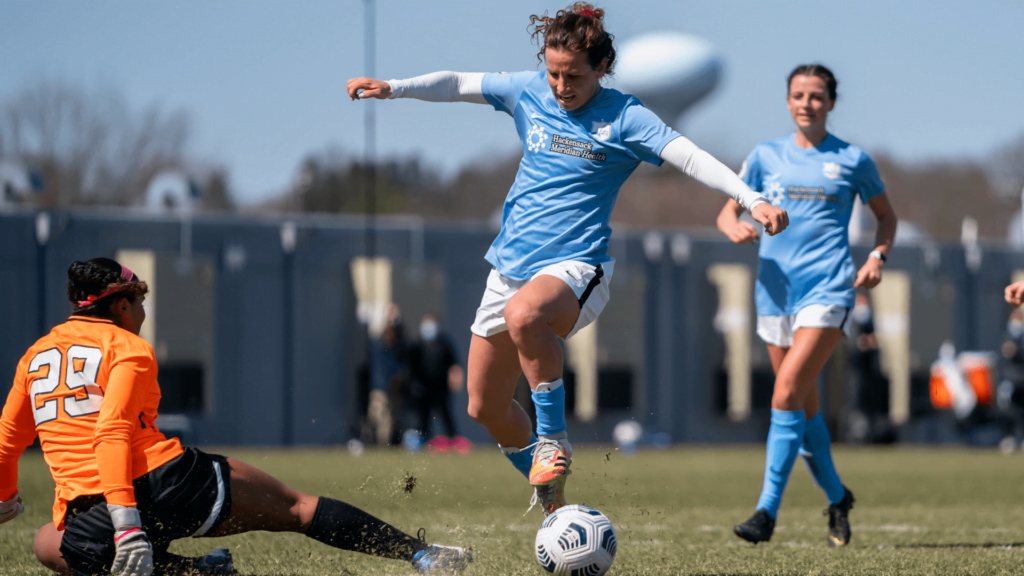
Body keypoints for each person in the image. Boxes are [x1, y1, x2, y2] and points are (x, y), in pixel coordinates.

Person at [347, 2, 789, 516]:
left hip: (577, 268)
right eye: (554, 72)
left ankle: (554, 441)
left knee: (526, 315)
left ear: (601, 68)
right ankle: (551, 493)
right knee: (483, 406)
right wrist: (395, 87)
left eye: (574, 75)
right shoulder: (529, 90)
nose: (561, 85)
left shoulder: (625, 116)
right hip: (508, 268)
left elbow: (688, 155)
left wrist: (751, 199)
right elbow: (459, 83)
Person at [0, 258, 471, 576]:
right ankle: (421, 553)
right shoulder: (128, 346)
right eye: (140, 301)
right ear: (120, 305)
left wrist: (4, 498)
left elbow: (7, 442)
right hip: (162, 486)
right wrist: (128, 525)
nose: (143, 310)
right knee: (297, 509)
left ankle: (199, 570)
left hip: (89, 509)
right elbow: (112, 433)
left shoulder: (34, 356)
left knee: (51, 543)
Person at [716, 63, 898, 546]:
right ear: (788, 100)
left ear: (831, 103)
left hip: (829, 290)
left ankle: (765, 512)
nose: (806, 103)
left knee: (786, 392)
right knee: (803, 406)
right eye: (798, 95)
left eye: (816, 96)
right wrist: (732, 225)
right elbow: (727, 209)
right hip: (775, 293)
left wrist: (878, 256)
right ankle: (838, 498)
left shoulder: (853, 159)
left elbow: (887, 217)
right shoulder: (764, 156)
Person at [406, 315, 469, 454]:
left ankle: (452, 440)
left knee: (445, 413)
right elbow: (410, 366)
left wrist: (456, 379)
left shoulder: (444, 343)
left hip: (441, 387)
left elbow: (454, 364)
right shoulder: (417, 345)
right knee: (424, 416)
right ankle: (426, 441)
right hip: (423, 388)